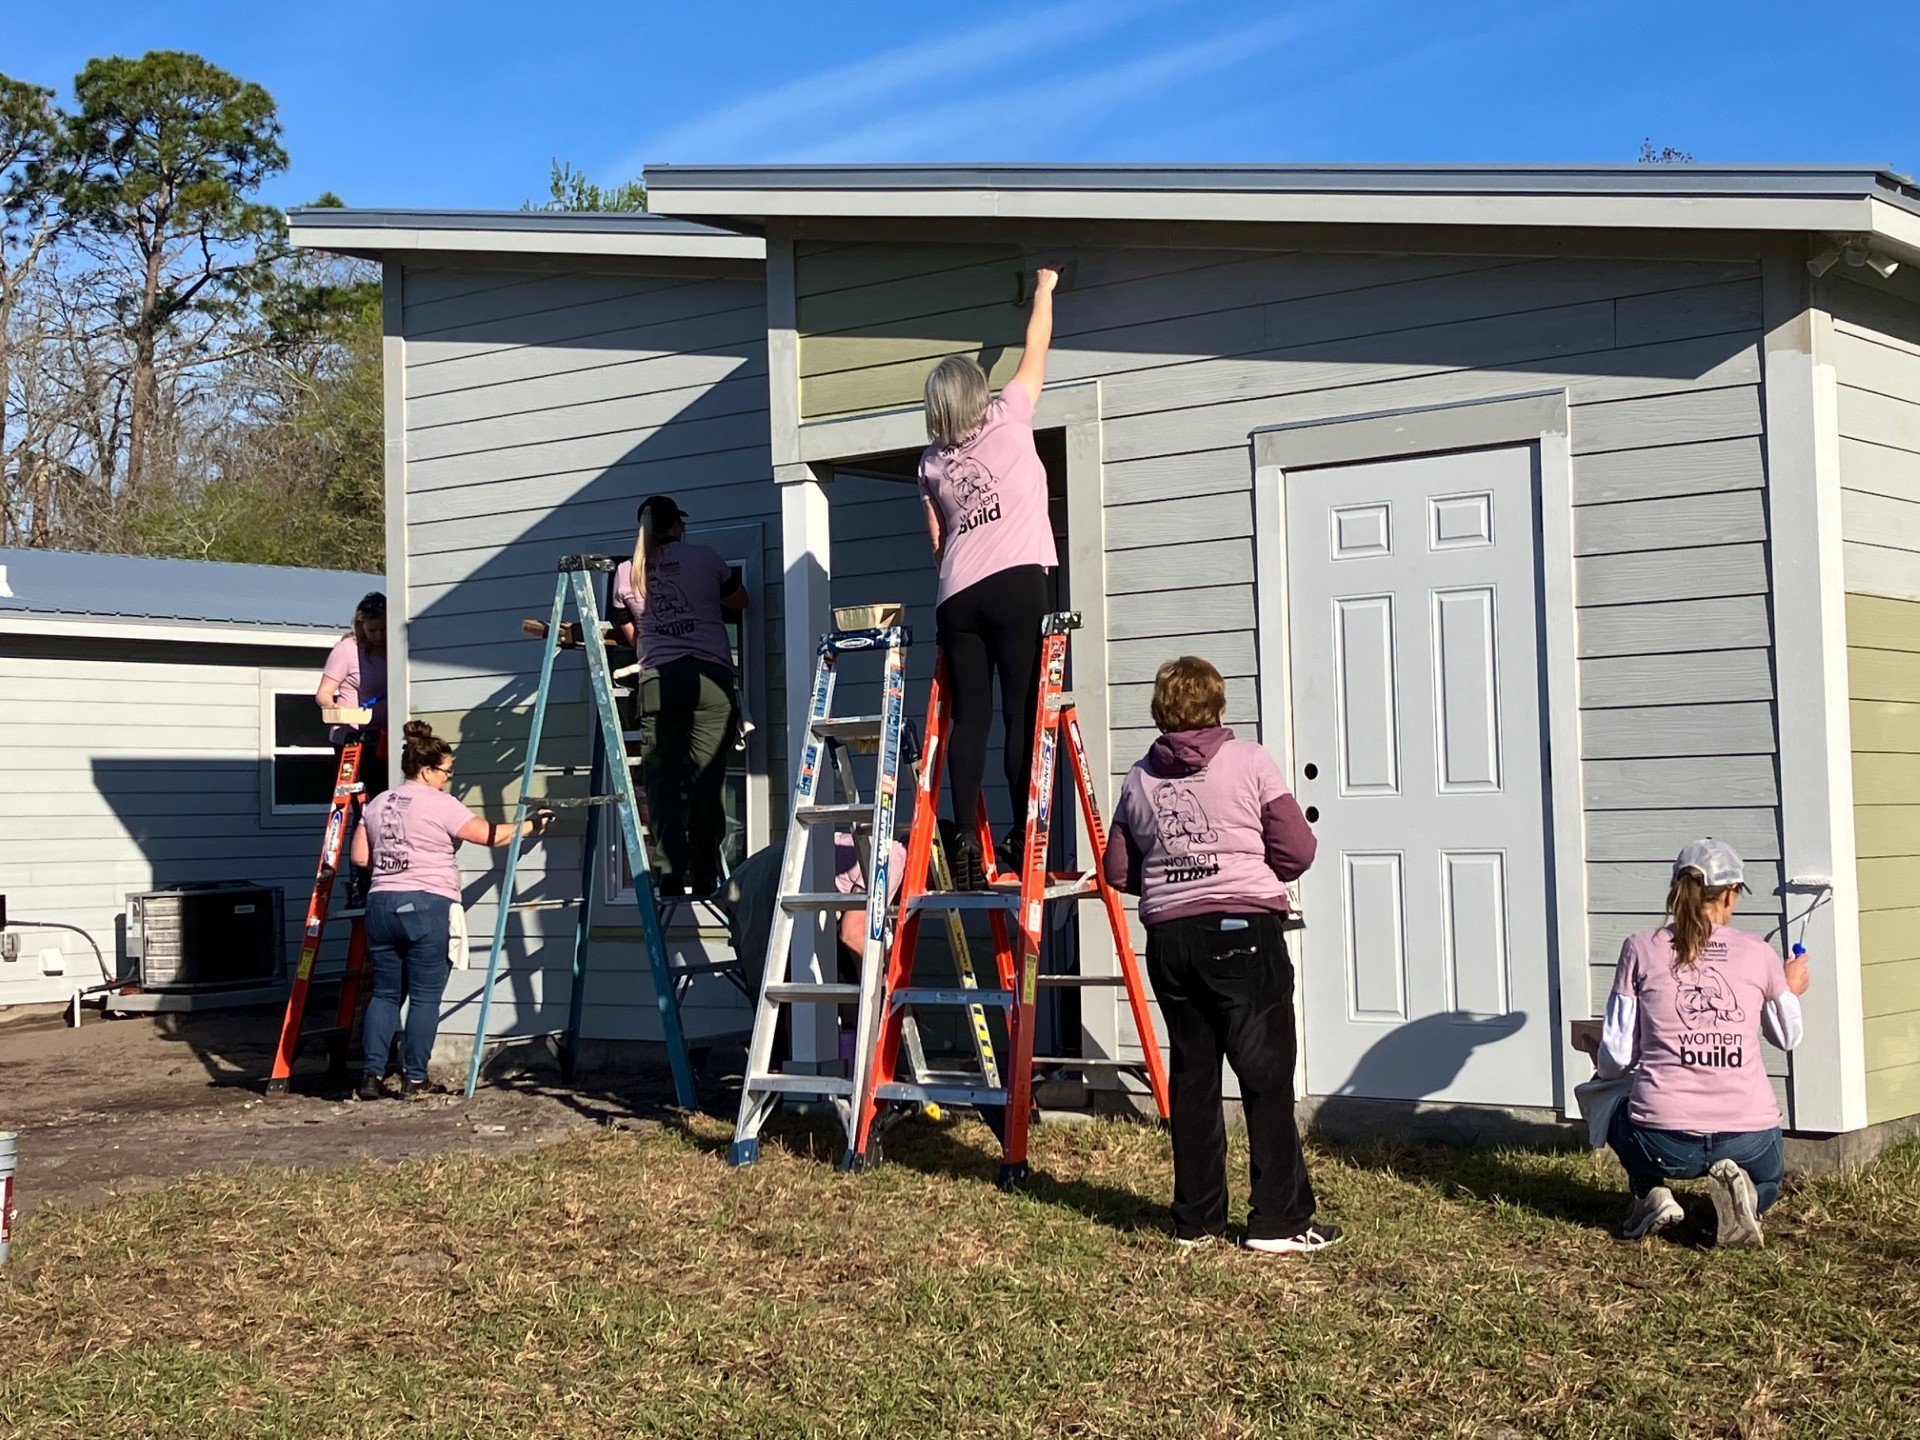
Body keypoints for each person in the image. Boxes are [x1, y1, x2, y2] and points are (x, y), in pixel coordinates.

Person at [1103, 656, 1336, 1254]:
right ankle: (1279, 1221)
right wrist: (1253, 872)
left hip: (1172, 941)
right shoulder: (1250, 760)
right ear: (1217, 703)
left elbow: (1119, 869)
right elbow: (1298, 849)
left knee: (1194, 1076)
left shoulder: (1137, 778)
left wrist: (1176, 877)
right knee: (1263, 1074)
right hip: (1242, 931)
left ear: (1161, 709)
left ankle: (1197, 1221)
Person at [1587, 839, 1811, 1246]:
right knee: (1772, 1178)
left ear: (1676, 887)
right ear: (1729, 894)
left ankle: (1650, 1192)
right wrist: (1789, 988)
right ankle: (1750, 1200)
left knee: (1614, 1101)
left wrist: (1602, 1062)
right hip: (1749, 1136)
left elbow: (1617, 1057)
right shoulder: (1758, 953)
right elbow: (1788, 1036)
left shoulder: (1640, 947)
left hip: (1663, 1141)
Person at [918, 268, 1061, 889]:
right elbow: (1037, 346)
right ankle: (1018, 837)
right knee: (1020, 714)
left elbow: (937, 543)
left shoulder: (929, 462)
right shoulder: (1009, 413)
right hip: (1013, 582)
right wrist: (1045, 290)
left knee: (969, 718)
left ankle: (965, 848)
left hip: (957, 595)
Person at [349, 720, 553, 1100]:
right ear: (426, 770)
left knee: (386, 994)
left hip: (380, 905)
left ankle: (370, 1076)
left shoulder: (379, 803)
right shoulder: (441, 804)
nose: (448, 779)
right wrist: (531, 825)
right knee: (425, 997)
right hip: (426, 905)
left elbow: (360, 857)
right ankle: (413, 1078)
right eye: (445, 772)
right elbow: (490, 835)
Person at [611, 495, 749, 897]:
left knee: (662, 782)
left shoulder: (625, 572)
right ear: (675, 527)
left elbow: (630, 632)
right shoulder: (705, 559)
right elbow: (740, 600)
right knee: (707, 781)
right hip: (710, 678)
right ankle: (705, 874)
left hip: (659, 679)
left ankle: (670, 873)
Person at [316, 591, 389, 795]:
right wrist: (332, 707)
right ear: (361, 626)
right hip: (354, 739)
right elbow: (323, 693)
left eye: (384, 629)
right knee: (363, 801)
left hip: (386, 736)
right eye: (372, 630)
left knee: (386, 798)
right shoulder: (347, 649)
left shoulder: (397, 649)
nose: (379, 636)